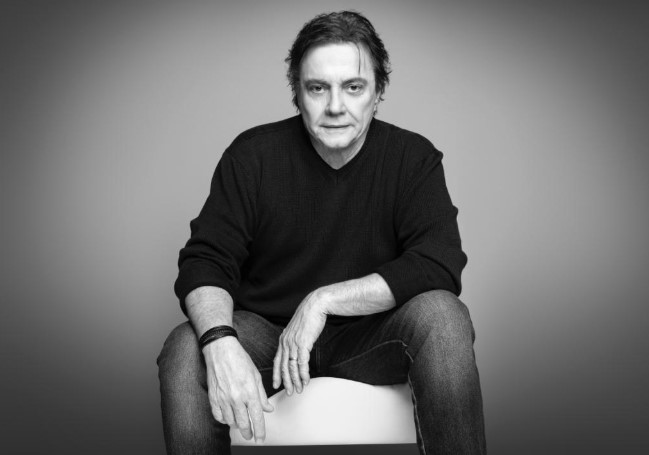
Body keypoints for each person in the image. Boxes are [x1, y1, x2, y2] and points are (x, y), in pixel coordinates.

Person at [157, 10, 486, 455]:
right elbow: (204, 261)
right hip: (269, 339)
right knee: (185, 348)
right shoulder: (252, 157)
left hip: (372, 338)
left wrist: (322, 301)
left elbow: (437, 263)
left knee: (444, 317)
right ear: (297, 92)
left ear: (378, 92)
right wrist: (219, 341)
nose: (335, 106)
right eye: (317, 88)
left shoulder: (413, 158)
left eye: (354, 87)